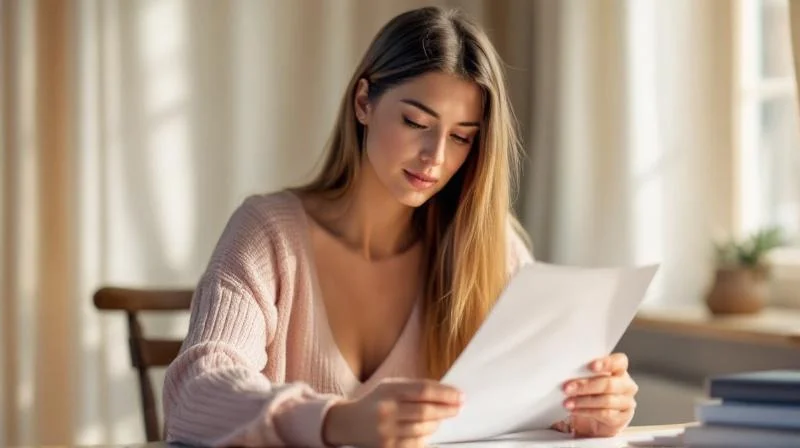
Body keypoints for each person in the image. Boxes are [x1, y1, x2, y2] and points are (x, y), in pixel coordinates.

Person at [163, 6, 638, 447]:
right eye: (416, 122)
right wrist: (337, 420)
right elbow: (195, 391)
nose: (435, 156)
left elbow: (527, 401)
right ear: (364, 102)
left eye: (461, 137)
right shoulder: (268, 234)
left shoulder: (490, 248)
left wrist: (582, 410)